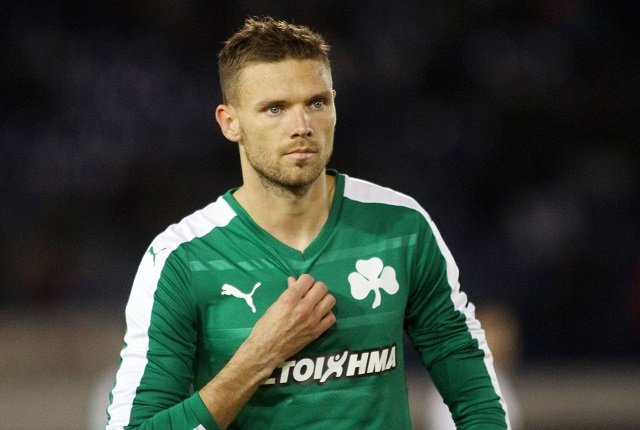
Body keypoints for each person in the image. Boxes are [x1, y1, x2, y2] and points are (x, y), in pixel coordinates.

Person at [106, 16, 511, 429]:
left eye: (317, 103)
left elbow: (476, 399)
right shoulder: (181, 259)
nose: (302, 127)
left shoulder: (399, 226)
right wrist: (257, 358)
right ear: (230, 123)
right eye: (275, 109)